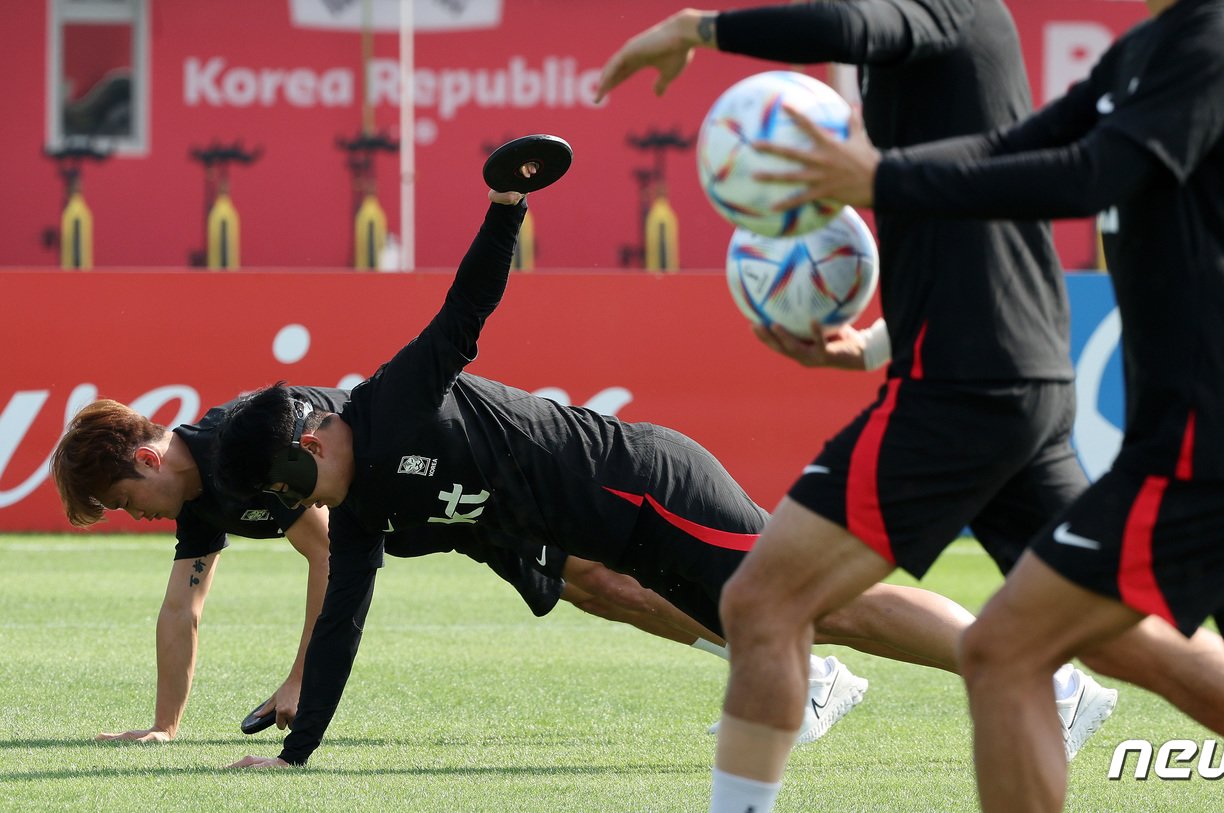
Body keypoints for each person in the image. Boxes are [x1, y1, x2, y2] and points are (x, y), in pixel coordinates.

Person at [595, 4, 1224, 812]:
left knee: (762, 598)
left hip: (966, 385)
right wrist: (877, 344)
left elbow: (855, 31)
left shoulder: (944, 6)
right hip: (1009, 371)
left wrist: (700, 29)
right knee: (1116, 640)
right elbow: (985, 195)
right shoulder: (1019, 44)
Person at [210, 187, 1108, 770]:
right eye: (290, 500)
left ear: (315, 434)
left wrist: (503, 203)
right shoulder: (362, 509)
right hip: (627, 540)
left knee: (826, 602)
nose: (304, 503)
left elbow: (465, 310)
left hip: (649, 485)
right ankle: (861, 685)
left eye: (297, 479)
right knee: (811, 610)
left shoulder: (388, 403)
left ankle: (1056, 684)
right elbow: (341, 623)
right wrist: (297, 758)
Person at [50, 390, 772, 740]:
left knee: (606, 578)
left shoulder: (238, 454)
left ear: (148, 459)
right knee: (596, 592)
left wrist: (302, 678)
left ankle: (785, 665)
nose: (133, 515)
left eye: (123, 499)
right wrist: (164, 725)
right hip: (440, 516)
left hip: (459, 471)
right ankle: (766, 662)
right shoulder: (201, 496)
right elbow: (184, 605)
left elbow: (327, 548)